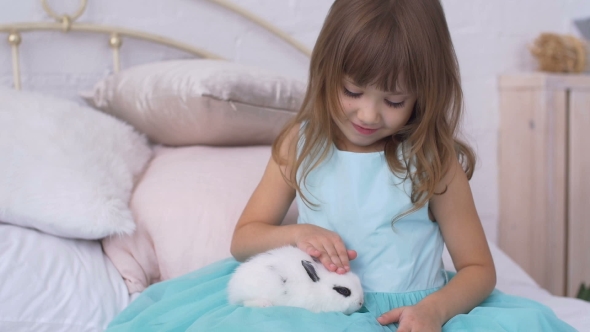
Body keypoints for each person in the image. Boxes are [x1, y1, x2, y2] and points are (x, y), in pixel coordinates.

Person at [106, 0, 577, 331]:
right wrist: (294, 235)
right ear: (326, 72)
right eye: (353, 91)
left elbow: (478, 268)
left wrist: (435, 311)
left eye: (394, 100)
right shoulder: (301, 144)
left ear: (423, 94)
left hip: (411, 311)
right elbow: (245, 238)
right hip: (315, 309)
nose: (369, 115)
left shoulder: (434, 163)